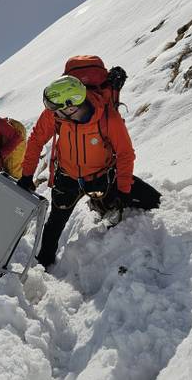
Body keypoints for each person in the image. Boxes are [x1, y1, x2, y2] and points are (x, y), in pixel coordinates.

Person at [17, 75, 158, 269]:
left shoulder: (108, 118)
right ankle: (44, 263)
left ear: (71, 106)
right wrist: (26, 175)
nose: (51, 113)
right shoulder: (56, 115)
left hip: (102, 176)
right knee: (55, 223)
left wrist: (124, 189)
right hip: (67, 177)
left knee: (153, 200)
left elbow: (125, 154)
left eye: (56, 110)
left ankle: (104, 205)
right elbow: (35, 140)